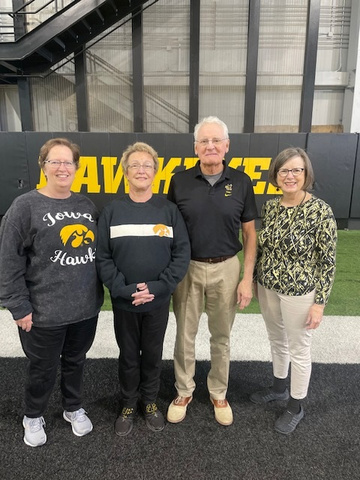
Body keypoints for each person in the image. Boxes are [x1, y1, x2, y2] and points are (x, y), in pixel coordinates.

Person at [0, 138, 104, 447]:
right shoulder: (25, 206)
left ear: (76, 167)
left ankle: (72, 408)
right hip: (43, 311)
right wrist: (18, 305)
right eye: (54, 162)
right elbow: (8, 259)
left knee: (75, 360)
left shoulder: (86, 205)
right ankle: (33, 415)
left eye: (67, 162)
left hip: (85, 308)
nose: (62, 167)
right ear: (43, 167)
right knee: (42, 367)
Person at [166, 116, 257, 426]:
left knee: (221, 336)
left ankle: (218, 391)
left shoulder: (242, 181)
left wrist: (247, 278)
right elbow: (170, 229)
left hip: (227, 268)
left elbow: (250, 235)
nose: (210, 146)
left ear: (226, 145)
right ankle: (184, 390)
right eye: (204, 141)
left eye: (216, 140)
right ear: (195, 148)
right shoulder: (179, 181)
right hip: (187, 267)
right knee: (185, 334)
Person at [96, 142, 190, 437]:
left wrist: (159, 287)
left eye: (146, 165)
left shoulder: (169, 211)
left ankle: (149, 402)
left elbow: (181, 254)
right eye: (134, 165)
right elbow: (102, 257)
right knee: (127, 355)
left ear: (155, 172)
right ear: (125, 172)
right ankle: (127, 403)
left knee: (152, 353)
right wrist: (123, 289)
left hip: (158, 301)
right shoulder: (112, 211)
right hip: (125, 302)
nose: (141, 170)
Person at [250, 147, 337, 435]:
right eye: (284, 170)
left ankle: (295, 405)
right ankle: (278, 389)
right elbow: (262, 247)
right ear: (275, 175)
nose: (290, 176)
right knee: (277, 338)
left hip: (300, 292)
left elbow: (327, 261)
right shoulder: (271, 206)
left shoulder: (320, 211)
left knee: (299, 348)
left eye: (296, 170)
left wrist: (319, 303)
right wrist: (251, 277)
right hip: (267, 285)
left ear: (306, 174)